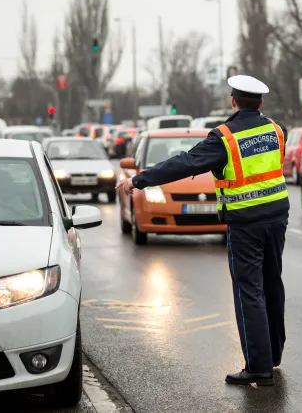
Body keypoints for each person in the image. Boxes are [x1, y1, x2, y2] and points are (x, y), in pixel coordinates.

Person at [117, 75, 289, 386]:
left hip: (245, 223)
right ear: (261, 103)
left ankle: (258, 367)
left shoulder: (224, 137)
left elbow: (183, 164)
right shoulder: (277, 130)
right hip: (277, 218)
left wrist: (139, 180)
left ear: (232, 101)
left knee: (249, 290)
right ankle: (273, 355)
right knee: (272, 284)